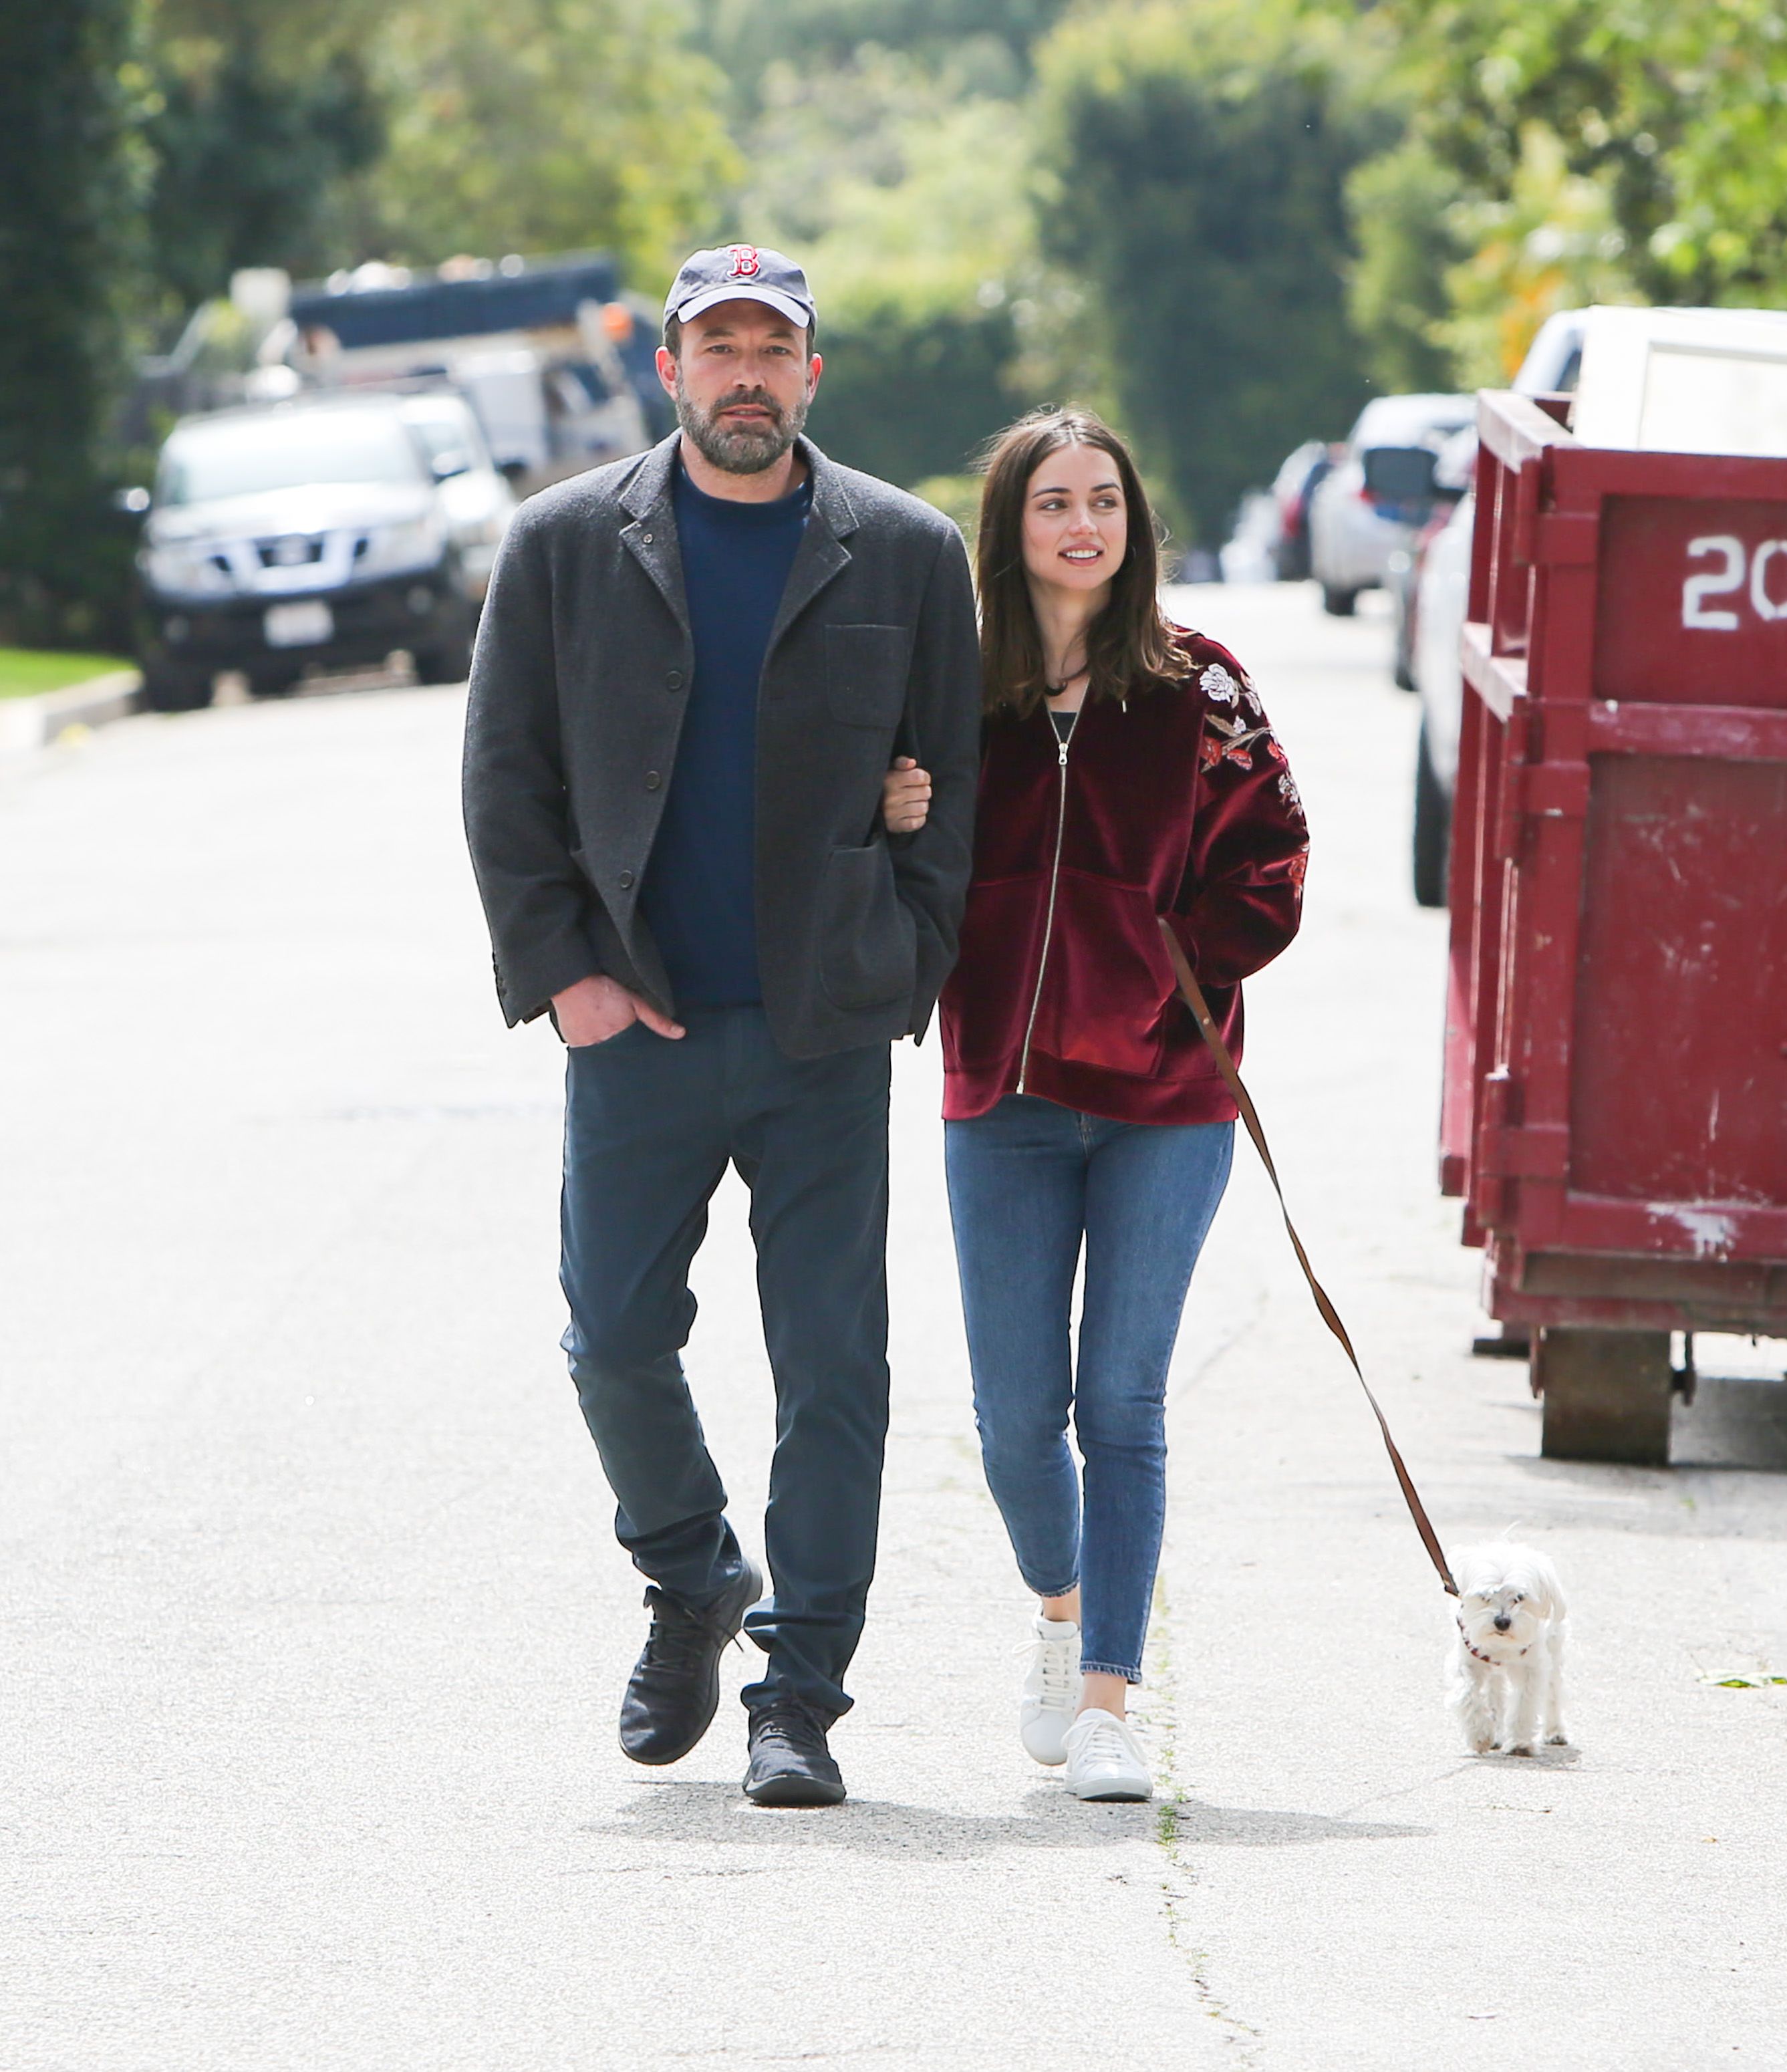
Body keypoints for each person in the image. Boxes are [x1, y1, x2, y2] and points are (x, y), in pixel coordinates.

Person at [463, 245, 982, 1807]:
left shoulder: (902, 549)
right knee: (612, 1337)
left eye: (773, 348)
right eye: (717, 347)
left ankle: (800, 1692)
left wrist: (904, 966)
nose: (744, 373)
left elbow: (950, 793)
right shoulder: (562, 545)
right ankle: (689, 1570)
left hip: (823, 1027)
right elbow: (507, 779)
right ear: (671, 372)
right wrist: (569, 976)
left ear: (811, 374)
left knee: (834, 1367)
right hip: (640, 1024)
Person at [881, 407, 1308, 1801]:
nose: (1081, 524)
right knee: (1014, 1416)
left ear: (1133, 525)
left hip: (1165, 1093)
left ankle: (1115, 1699)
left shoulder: (1201, 684)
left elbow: (1273, 858)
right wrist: (891, 812)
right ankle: (1059, 1618)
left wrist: (1169, 964)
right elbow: (886, 849)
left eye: (1104, 502)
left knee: (1119, 1401)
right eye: (1052, 501)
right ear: (1008, 526)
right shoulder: (952, 690)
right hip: (997, 1086)